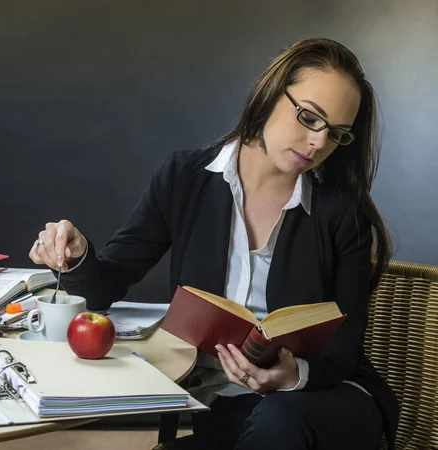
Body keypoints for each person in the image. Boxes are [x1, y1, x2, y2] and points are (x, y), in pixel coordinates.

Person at [29, 37, 398, 450]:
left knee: (277, 420)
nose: (318, 143)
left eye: (336, 134)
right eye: (310, 118)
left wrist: (293, 375)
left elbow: (345, 347)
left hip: (324, 399)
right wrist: (76, 257)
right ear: (271, 92)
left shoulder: (341, 213)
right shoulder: (185, 178)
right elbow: (106, 285)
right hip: (222, 405)